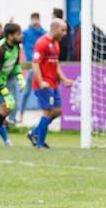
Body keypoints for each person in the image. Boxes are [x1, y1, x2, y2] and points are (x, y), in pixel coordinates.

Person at [26, 19, 73, 149]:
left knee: (57, 111)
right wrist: (41, 81)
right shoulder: (41, 43)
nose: (65, 33)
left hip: (53, 84)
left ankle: (34, 133)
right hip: (44, 84)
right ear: (55, 29)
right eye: (63, 30)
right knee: (47, 112)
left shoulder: (56, 44)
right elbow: (35, 64)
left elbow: (55, 63)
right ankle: (40, 144)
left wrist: (63, 79)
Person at [19, 12, 47, 122]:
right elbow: (17, 38)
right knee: (27, 92)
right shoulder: (26, 33)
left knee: (43, 90)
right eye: (33, 19)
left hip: (42, 66)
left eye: (37, 19)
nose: (35, 22)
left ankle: (45, 115)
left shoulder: (43, 33)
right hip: (30, 66)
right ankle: (21, 114)